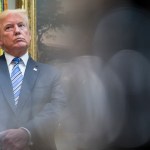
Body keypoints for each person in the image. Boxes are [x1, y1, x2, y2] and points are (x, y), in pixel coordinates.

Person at [0, 9, 66, 150]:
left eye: (21, 25)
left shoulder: (51, 74)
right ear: (0, 40)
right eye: (9, 27)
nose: (17, 31)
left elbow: (58, 110)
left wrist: (26, 132)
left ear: (29, 35)